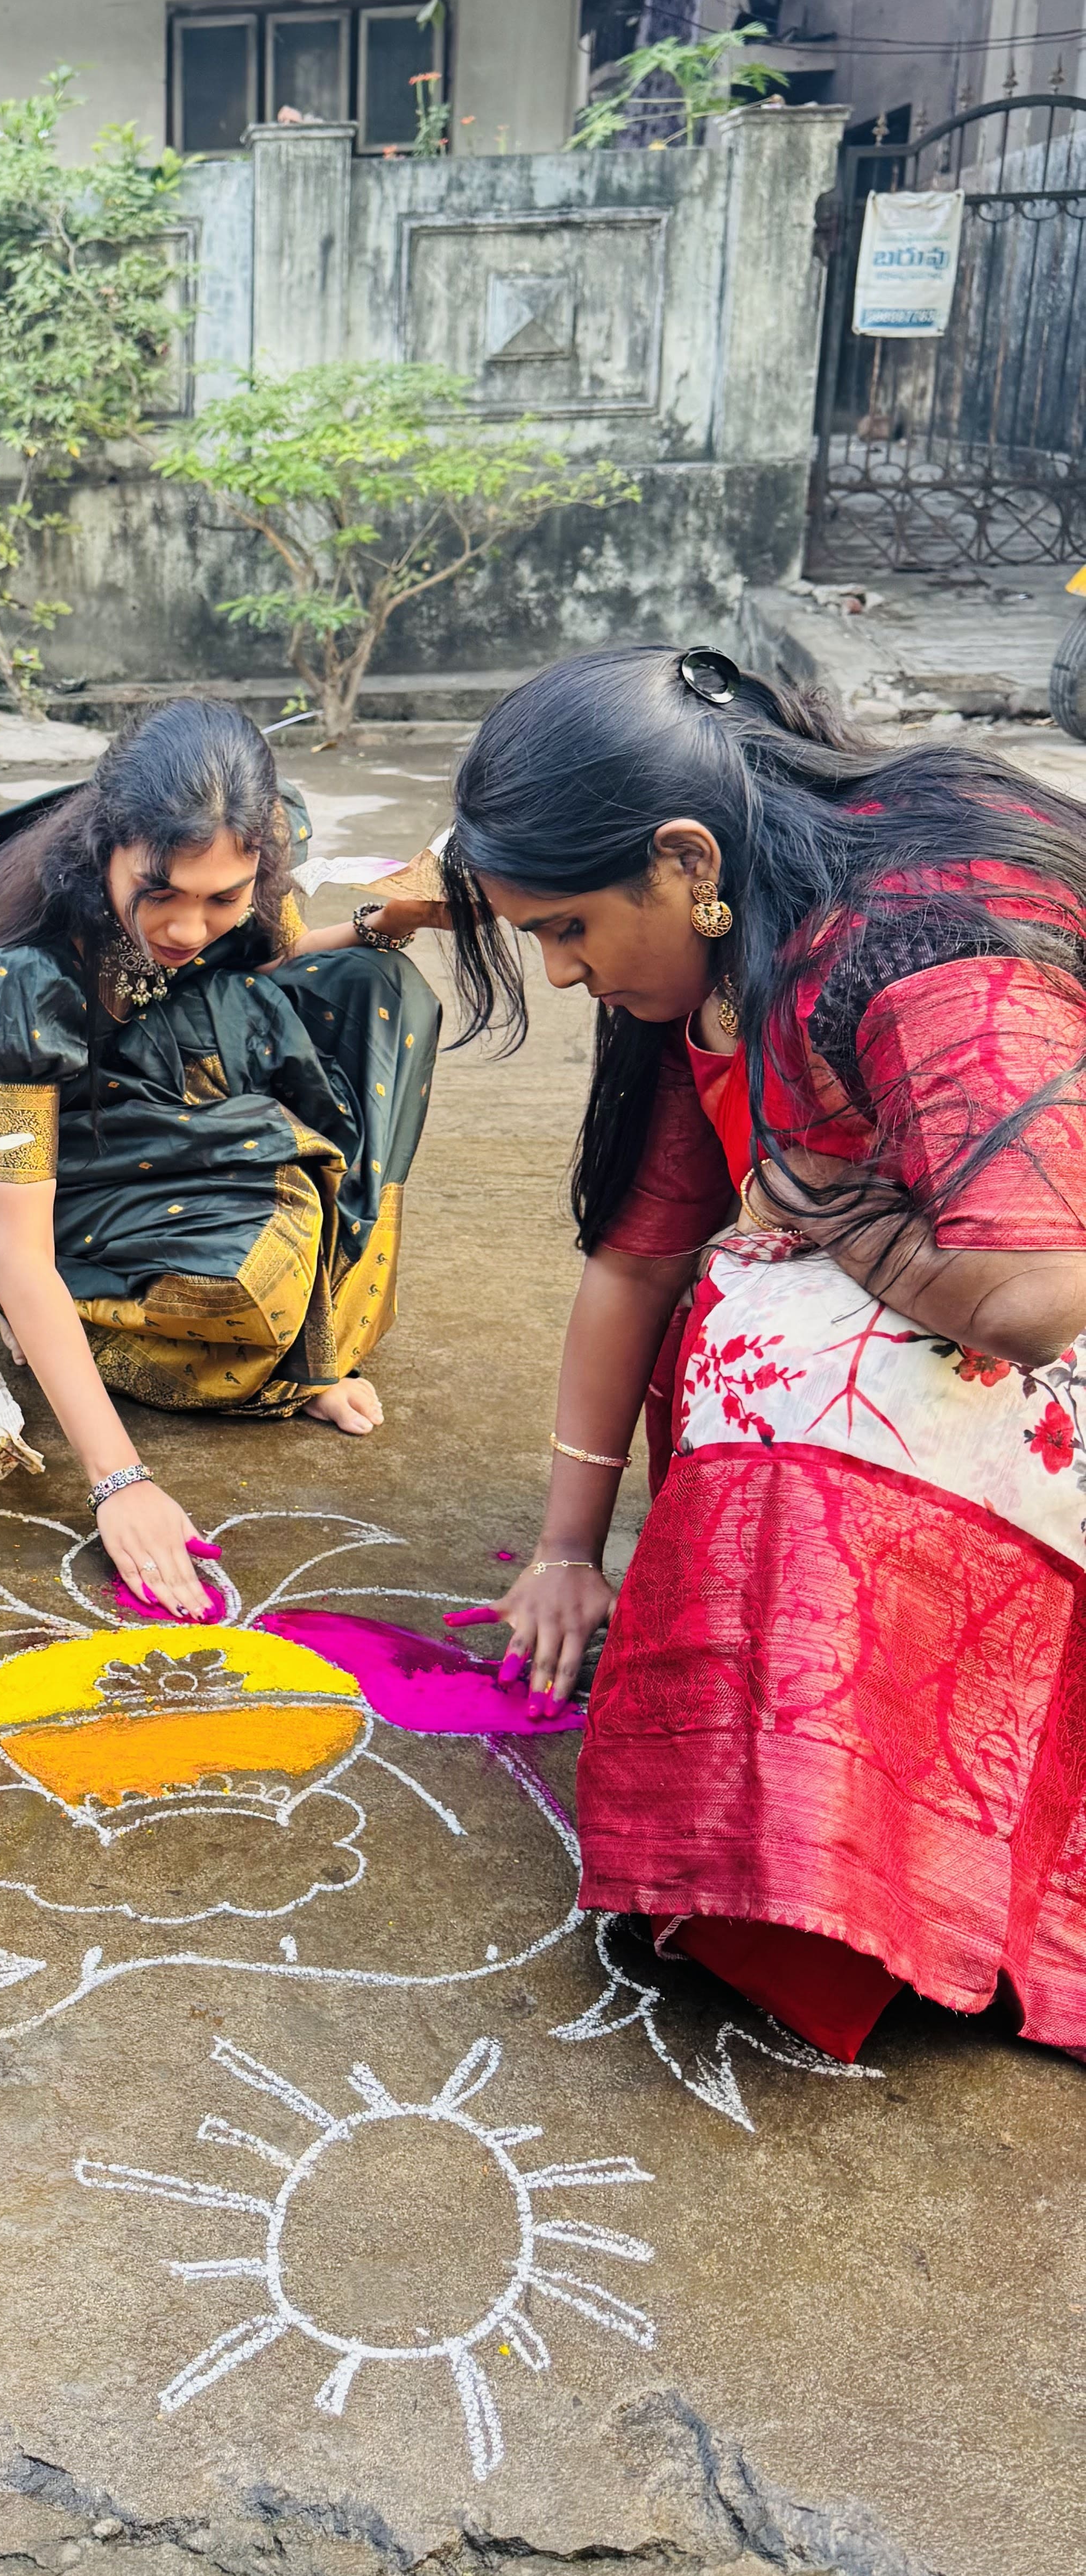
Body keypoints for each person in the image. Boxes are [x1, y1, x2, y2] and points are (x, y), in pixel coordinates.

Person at [450, 642, 1086, 2061]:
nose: (558, 974)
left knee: (780, 1344)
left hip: (1056, 1319)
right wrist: (566, 1549)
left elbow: (1039, 1293)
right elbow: (634, 1257)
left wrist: (824, 1209)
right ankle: (789, 1819)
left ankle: (859, 1862)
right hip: (992, 1312)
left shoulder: (923, 934)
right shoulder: (728, 953)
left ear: (681, 862)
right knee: (738, 1306)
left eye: (564, 930)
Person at [0, 698, 441, 1615]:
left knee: (377, 989)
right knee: (250, 1285)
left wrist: (387, 923)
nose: (187, 928)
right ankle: (73, 1309)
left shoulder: (250, 859)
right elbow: (19, 1242)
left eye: (223, 897)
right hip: (60, 1146)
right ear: (106, 846)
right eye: (161, 894)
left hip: (168, 1088)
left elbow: (267, 964)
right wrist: (118, 1481)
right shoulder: (22, 971)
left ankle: (310, 1349)